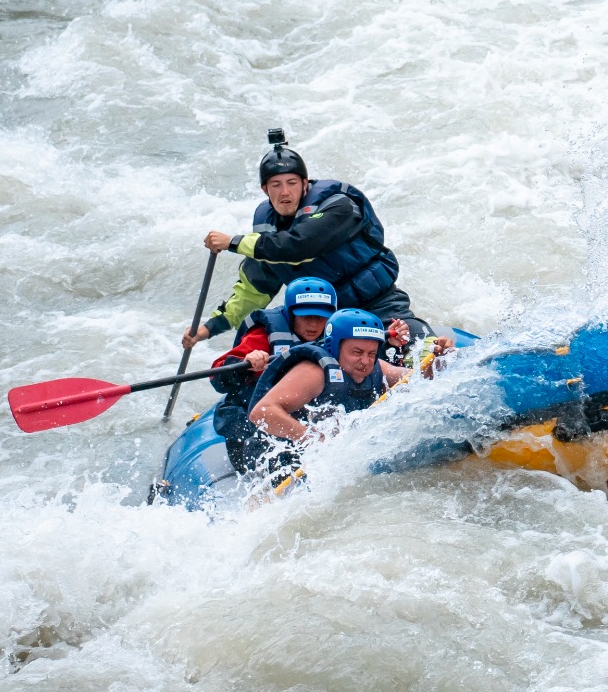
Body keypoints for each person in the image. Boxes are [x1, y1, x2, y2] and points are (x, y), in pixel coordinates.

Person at [181, 128, 450, 363]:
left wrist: (232, 242)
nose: (285, 192)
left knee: (414, 344)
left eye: (291, 183)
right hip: (322, 324)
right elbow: (252, 292)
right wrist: (207, 329)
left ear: (305, 183)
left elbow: (299, 245)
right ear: (265, 190)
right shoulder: (266, 237)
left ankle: (431, 357)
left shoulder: (339, 206)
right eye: (276, 185)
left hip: (379, 306)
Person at [240, 309, 406, 485]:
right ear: (335, 347)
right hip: (280, 463)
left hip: (332, 463)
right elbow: (261, 412)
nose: (365, 361)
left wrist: (438, 357)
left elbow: (418, 378)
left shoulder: (378, 368)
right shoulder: (313, 373)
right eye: (357, 353)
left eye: (371, 354)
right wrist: (315, 441)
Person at [207, 275, 338, 464]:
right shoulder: (263, 336)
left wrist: (394, 344)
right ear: (291, 313)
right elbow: (217, 376)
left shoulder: (335, 333)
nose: (314, 324)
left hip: (294, 409)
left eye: (320, 317)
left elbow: (361, 359)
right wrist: (247, 365)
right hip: (249, 412)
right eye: (306, 316)